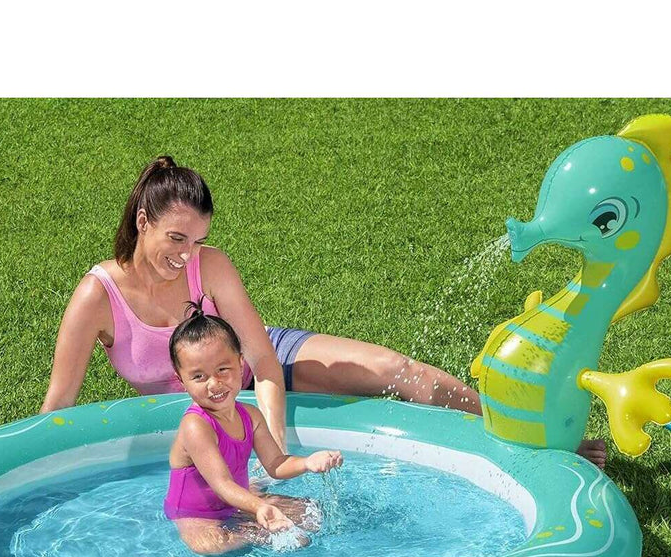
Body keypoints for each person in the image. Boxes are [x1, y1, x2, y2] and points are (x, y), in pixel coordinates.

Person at [40, 155, 607, 468]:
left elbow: (263, 362)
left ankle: (532, 438)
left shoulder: (209, 266)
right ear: (142, 222)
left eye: (197, 240)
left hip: (258, 362)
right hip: (200, 403)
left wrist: (275, 447)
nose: (186, 255)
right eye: (176, 238)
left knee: (394, 370)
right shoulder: (98, 297)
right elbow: (59, 406)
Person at [163, 301, 343, 555]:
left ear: (241, 363)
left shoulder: (251, 416)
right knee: (213, 546)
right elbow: (222, 483)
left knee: (313, 513)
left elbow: (276, 463)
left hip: (238, 500)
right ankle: (250, 530)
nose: (214, 384)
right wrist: (258, 507)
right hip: (197, 515)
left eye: (222, 370)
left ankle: (252, 519)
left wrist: (308, 462)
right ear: (181, 380)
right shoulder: (196, 426)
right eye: (199, 376)